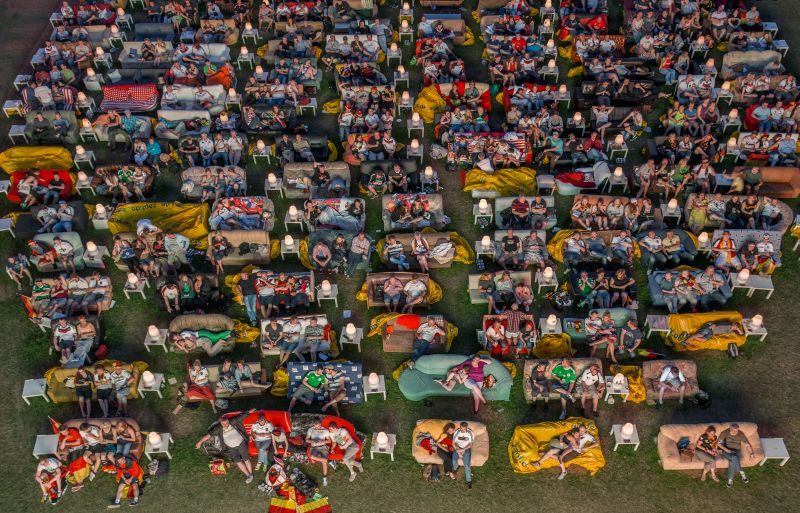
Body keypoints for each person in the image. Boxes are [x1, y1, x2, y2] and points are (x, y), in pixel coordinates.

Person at [195, 411, 255, 483]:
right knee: (237, 461)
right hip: (230, 447)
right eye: (224, 424)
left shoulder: (232, 421)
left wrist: (251, 411)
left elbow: (242, 416)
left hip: (241, 444)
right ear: (221, 423)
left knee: (246, 459)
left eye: (227, 423)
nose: (226, 425)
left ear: (228, 421)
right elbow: (209, 435)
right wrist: (199, 442)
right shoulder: (218, 428)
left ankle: (251, 474)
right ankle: (248, 475)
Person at [718, 424, 753, 488]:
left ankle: (730, 480)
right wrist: (726, 449)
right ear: (730, 429)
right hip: (726, 451)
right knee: (733, 457)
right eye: (734, 431)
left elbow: (747, 445)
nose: (736, 432)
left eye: (737, 431)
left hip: (736, 451)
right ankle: (742, 473)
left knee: (732, 461)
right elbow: (718, 443)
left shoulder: (740, 434)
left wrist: (751, 453)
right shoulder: (724, 433)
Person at [451, 422, 474, 488]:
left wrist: (462, 450)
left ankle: (469, 481)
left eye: (464, 429)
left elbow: (470, 445)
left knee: (466, 465)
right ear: (460, 427)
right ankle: (455, 468)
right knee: (454, 460)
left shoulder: (470, 433)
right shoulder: (457, 432)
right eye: (461, 428)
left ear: (466, 428)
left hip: (466, 449)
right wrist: (458, 452)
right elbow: (453, 443)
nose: (462, 430)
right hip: (457, 448)